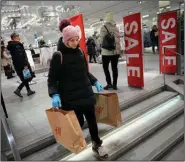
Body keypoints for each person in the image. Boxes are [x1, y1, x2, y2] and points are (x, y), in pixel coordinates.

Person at [48, 25, 108, 160]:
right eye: (72, 40)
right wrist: (54, 94)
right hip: (71, 98)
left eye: (77, 39)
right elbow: (52, 78)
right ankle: (72, 140)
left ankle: (97, 144)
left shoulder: (80, 52)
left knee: (92, 121)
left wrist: (95, 82)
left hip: (86, 94)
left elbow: (84, 72)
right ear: (65, 40)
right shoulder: (59, 56)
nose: (75, 43)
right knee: (77, 123)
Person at [7, 33, 35, 98]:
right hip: (22, 64)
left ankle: (28, 90)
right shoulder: (17, 45)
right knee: (28, 77)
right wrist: (25, 64)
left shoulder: (11, 45)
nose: (19, 38)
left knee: (24, 78)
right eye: (18, 37)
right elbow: (20, 56)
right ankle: (18, 89)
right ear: (14, 38)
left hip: (17, 65)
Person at [100, 13, 121, 90]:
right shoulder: (116, 27)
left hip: (106, 52)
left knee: (106, 68)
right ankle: (115, 85)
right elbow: (118, 41)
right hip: (115, 52)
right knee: (114, 68)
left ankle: (109, 84)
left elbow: (101, 40)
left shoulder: (104, 27)